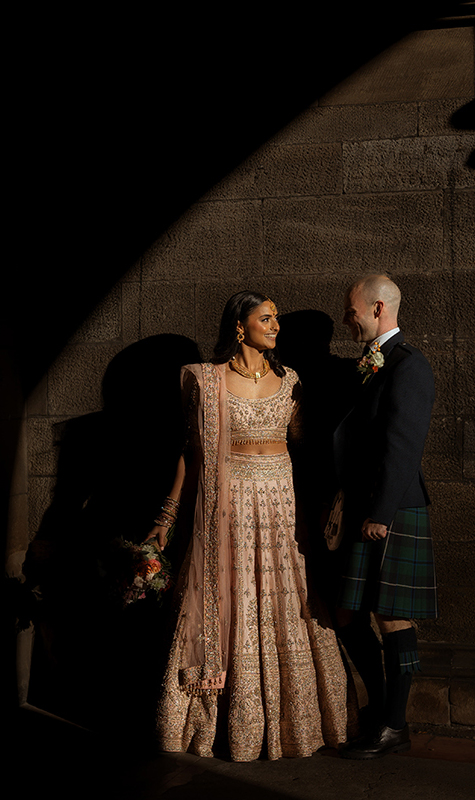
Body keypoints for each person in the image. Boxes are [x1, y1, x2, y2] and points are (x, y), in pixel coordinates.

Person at [148, 290, 352, 761]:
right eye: (266, 318)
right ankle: (215, 726)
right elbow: (193, 453)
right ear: (240, 327)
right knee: (230, 598)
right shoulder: (207, 380)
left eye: (276, 319)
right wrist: (167, 515)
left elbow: (304, 447)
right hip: (230, 507)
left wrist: (325, 502)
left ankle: (296, 724)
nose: (276, 326)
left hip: (281, 505)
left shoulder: (291, 380)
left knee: (291, 604)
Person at [329, 274, 436, 760]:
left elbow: (403, 445)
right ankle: (381, 710)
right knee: (347, 614)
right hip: (364, 505)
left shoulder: (409, 365)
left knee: (392, 617)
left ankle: (395, 725)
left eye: (352, 310)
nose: (346, 318)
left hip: (389, 509)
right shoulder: (371, 363)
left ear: (376, 309)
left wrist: (379, 513)